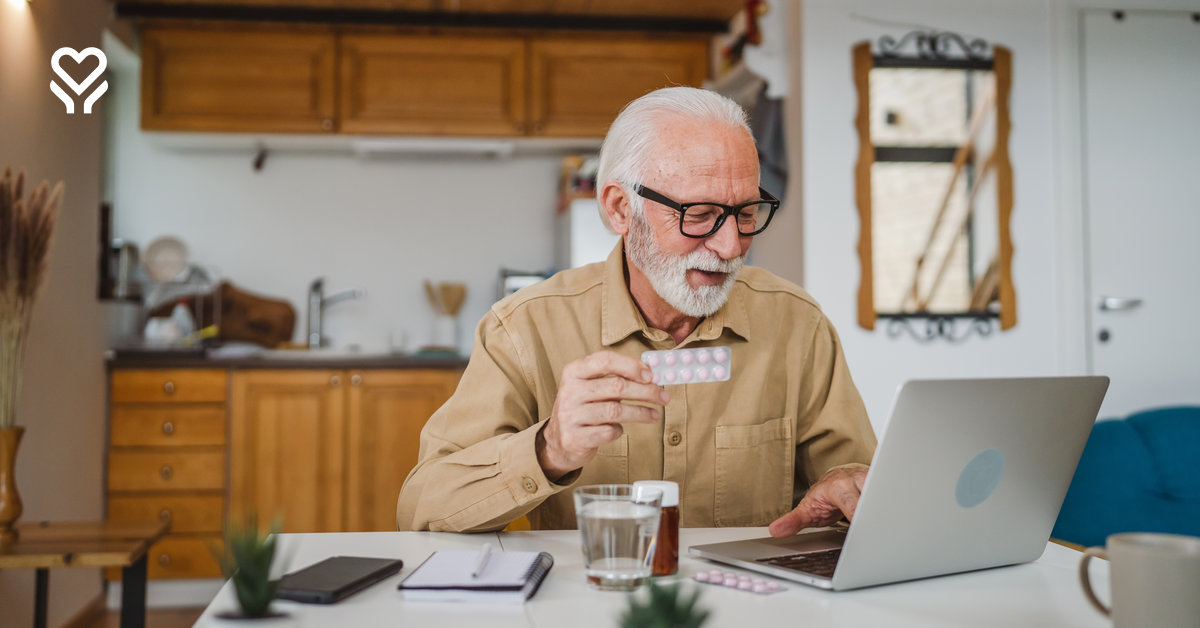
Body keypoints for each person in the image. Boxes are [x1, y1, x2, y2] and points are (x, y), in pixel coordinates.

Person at [397, 87, 876, 536]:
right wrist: (548, 450)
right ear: (621, 209)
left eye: (746, 213)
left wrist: (848, 492)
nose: (731, 246)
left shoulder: (798, 325)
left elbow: (859, 488)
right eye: (701, 215)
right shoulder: (523, 329)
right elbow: (421, 509)